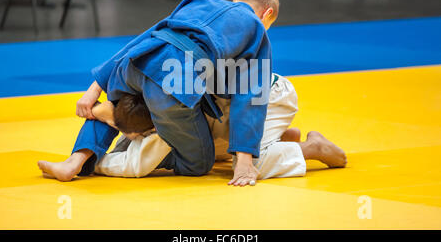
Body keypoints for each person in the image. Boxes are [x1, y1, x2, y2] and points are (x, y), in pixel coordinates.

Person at [39, 0, 278, 187]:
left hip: (138, 61)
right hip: (175, 79)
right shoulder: (256, 28)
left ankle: (75, 160)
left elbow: (147, 35)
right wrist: (244, 161)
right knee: (199, 164)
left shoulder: (199, 1)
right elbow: (251, 93)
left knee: (122, 99)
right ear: (266, 15)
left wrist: (95, 87)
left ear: (235, 0)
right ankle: (132, 125)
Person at [38, 74, 347, 182]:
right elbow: (117, 67)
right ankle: (278, 136)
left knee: (247, 165)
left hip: (263, 98)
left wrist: (96, 163)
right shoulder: (152, 90)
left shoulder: (166, 127)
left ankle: (311, 148)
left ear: (140, 131)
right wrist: (96, 98)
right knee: (207, 148)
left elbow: (134, 165)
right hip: (241, 101)